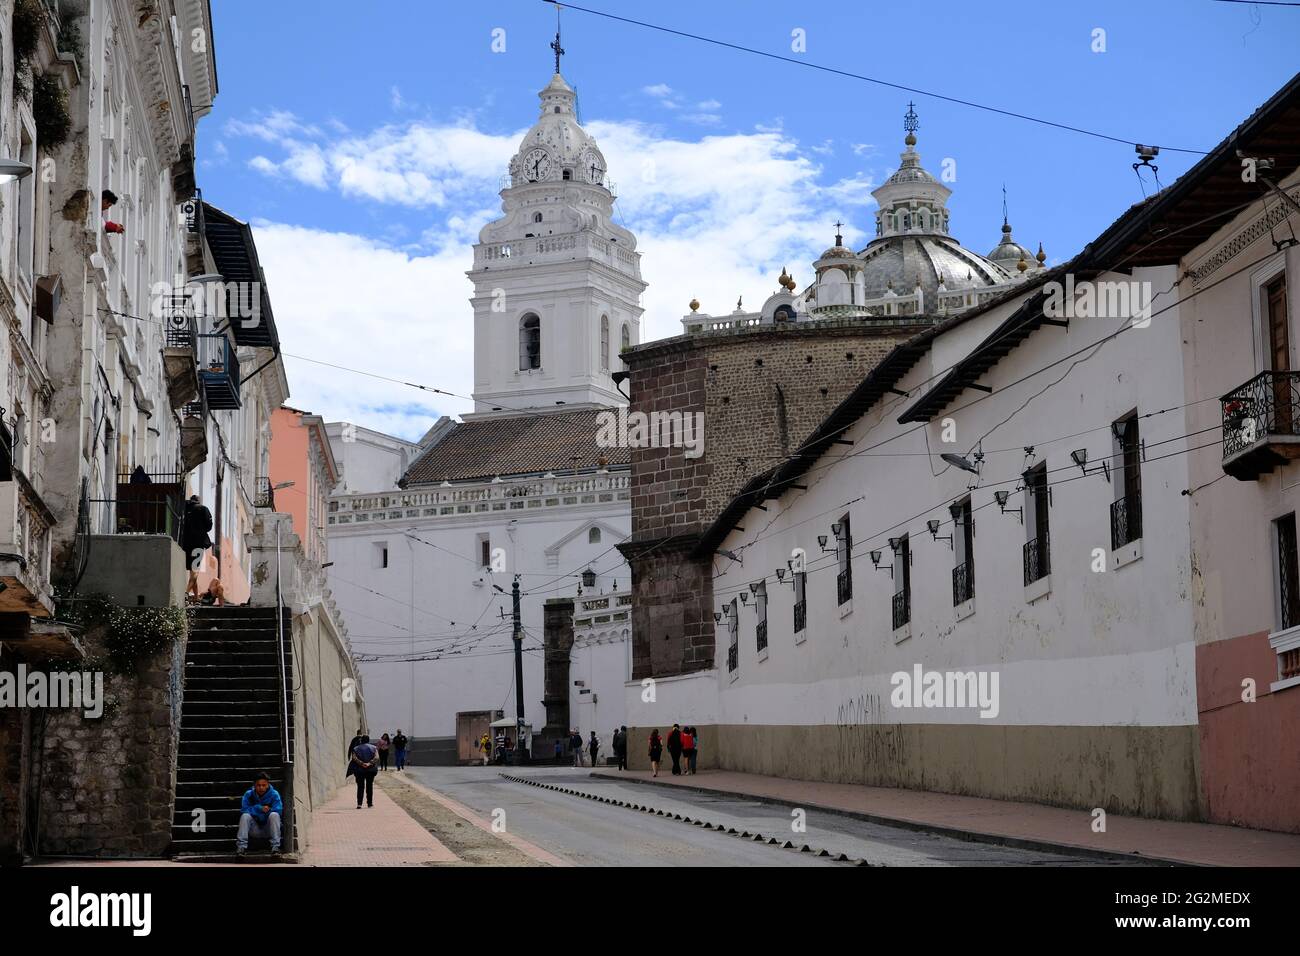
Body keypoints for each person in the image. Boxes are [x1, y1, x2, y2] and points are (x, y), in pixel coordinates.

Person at [236, 772, 282, 857]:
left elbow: (278, 810)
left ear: (268, 785)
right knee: (245, 816)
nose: (261, 787)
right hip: (254, 829)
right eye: (258, 785)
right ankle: (241, 848)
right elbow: (244, 810)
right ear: (254, 785)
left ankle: (275, 847)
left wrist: (268, 810)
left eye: (264, 785)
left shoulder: (274, 794)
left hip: (269, 829)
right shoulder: (248, 794)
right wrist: (259, 808)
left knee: (274, 815)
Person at [181, 494, 213, 602]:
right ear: (198, 501)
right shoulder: (203, 509)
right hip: (198, 544)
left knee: (191, 571)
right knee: (195, 570)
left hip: (186, 544)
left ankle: (195, 597)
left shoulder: (184, 508)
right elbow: (209, 526)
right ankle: (186, 592)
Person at [348, 734, 379, 808]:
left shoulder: (356, 748)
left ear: (361, 740)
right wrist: (369, 763)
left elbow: (354, 758)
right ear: (368, 740)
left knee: (360, 786)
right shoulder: (374, 748)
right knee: (369, 786)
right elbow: (377, 757)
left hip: (359, 770)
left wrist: (362, 763)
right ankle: (370, 803)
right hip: (370, 770)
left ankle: (359, 804)